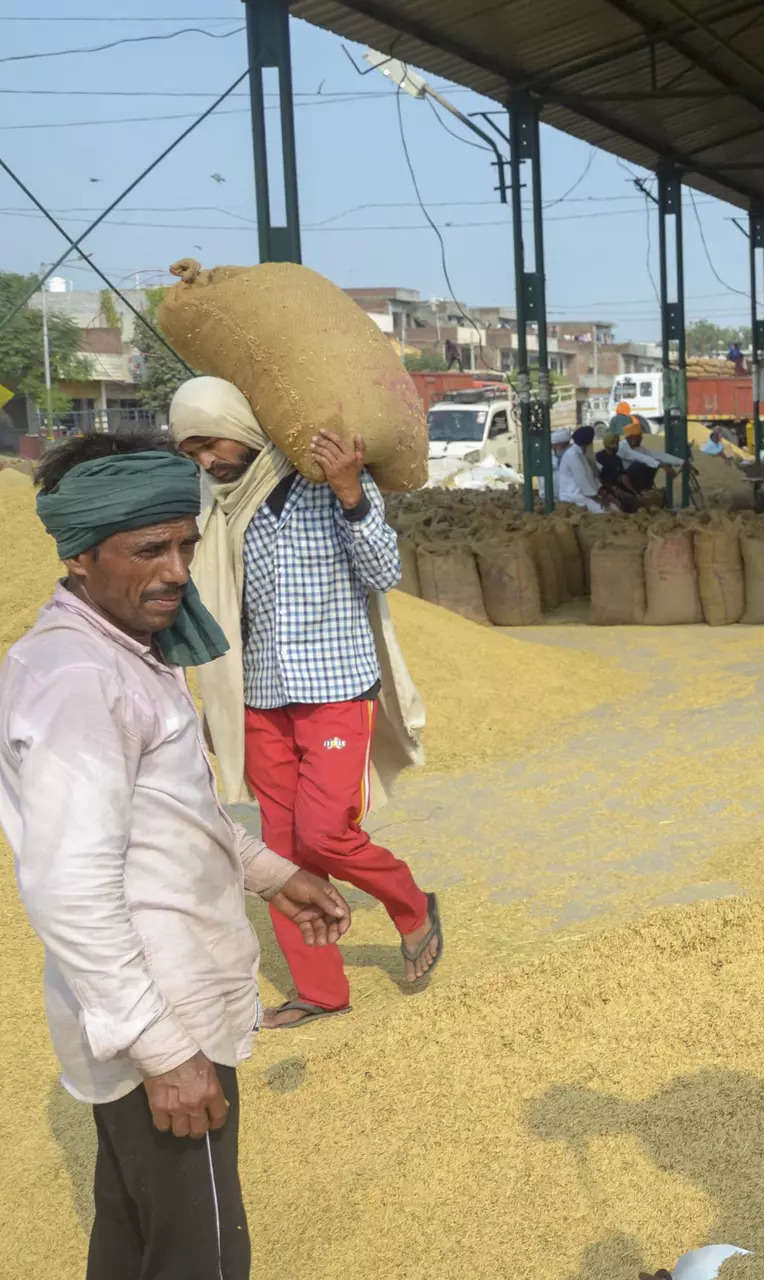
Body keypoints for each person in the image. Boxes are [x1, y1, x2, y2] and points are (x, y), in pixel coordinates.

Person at [6, 435, 351, 1279]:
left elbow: (170, 818)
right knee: (201, 1258)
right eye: (147, 549)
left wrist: (271, 873)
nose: (174, 571)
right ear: (81, 553)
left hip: (172, 998)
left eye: (186, 545)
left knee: (137, 1243)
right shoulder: (78, 679)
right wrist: (164, 1051)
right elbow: (70, 889)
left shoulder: (130, 652)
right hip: (161, 1013)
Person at [170, 378, 443, 1028]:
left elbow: (384, 574)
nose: (208, 460)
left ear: (240, 423)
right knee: (282, 851)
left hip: (334, 691)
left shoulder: (328, 483)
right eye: (193, 451)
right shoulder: (221, 511)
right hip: (259, 698)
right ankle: (320, 989)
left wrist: (350, 493)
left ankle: (411, 904)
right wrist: (218, 703)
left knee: (324, 835)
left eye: (212, 442)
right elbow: (220, 611)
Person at [554, 425, 608, 512]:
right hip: (573, 497)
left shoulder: (580, 453)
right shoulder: (573, 455)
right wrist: (597, 498)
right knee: (606, 510)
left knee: (612, 507)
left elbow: (590, 476)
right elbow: (582, 481)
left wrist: (601, 492)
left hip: (584, 495)